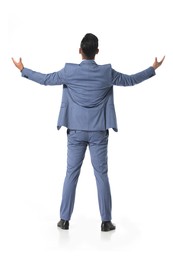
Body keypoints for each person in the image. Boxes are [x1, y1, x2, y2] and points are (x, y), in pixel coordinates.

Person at [12, 33, 165, 232]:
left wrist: (23, 70)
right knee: (101, 175)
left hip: (75, 132)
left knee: (71, 174)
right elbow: (130, 81)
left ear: (79, 51)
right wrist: (152, 69)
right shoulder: (106, 73)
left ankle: (64, 220)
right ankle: (106, 221)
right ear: (97, 52)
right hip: (99, 132)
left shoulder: (69, 71)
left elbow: (46, 79)